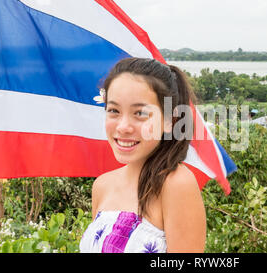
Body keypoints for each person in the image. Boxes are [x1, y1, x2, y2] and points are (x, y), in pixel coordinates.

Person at [79, 57, 206, 253]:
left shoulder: (176, 183)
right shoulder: (102, 185)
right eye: (114, 110)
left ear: (169, 121)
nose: (123, 127)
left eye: (140, 113)